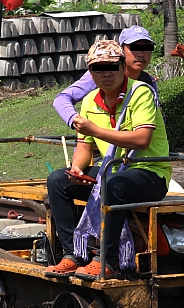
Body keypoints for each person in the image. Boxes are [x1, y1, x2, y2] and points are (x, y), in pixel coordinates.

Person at [45, 39, 171, 280]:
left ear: (123, 67)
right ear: (90, 72)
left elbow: (142, 139)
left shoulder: (140, 92)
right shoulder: (90, 101)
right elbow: (85, 145)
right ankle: (73, 254)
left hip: (150, 173)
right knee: (58, 180)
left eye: (112, 67)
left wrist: (95, 130)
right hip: (112, 172)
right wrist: (78, 169)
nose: (106, 74)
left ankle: (106, 260)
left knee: (112, 185)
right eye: (98, 68)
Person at [53, 25, 158, 128]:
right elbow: (62, 99)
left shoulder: (148, 81)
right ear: (122, 51)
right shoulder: (101, 76)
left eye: (146, 48)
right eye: (134, 48)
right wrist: (75, 120)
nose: (140, 54)